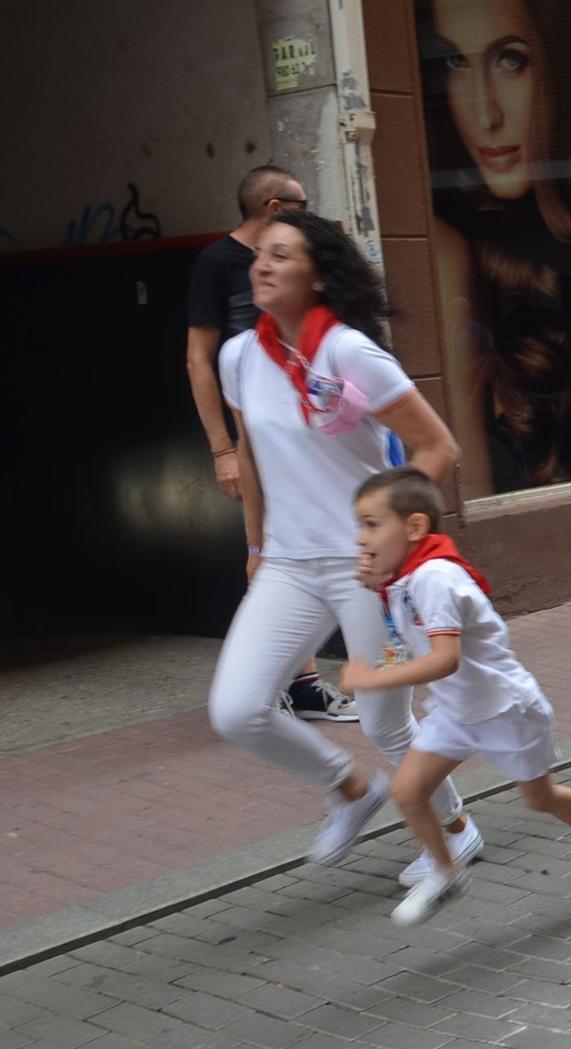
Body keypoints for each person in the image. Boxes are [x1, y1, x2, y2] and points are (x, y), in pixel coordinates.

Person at [208, 210, 484, 889]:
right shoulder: (240, 357)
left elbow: (437, 447)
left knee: (388, 719)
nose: (262, 265)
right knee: (237, 709)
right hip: (288, 563)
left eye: (281, 255)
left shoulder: (350, 354)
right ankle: (350, 788)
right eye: (259, 255)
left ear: (319, 275)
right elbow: (252, 452)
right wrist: (254, 542)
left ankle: (456, 829)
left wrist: (398, 542)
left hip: (366, 569)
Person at [343, 467, 571, 924]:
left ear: (415, 527)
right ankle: (447, 872)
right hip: (456, 712)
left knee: (540, 797)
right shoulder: (406, 576)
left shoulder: (435, 577)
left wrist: (371, 679)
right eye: (358, 525)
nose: (360, 538)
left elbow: (445, 659)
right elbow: (407, 634)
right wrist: (377, 586)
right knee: (408, 791)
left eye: (371, 524)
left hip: (506, 709)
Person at [418, 0, 571, 489]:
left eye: (510, 60)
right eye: (456, 62)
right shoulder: (449, 254)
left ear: (559, 66)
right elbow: (469, 486)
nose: (485, 112)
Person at [187, 165, 355, 724]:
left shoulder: (306, 269)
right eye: (303, 202)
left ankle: (300, 684)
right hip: (255, 423)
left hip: (304, 418)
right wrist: (223, 449)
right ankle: (285, 683)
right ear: (277, 207)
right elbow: (198, 358)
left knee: (290, 545)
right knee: (265, 551)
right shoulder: (217, 264)